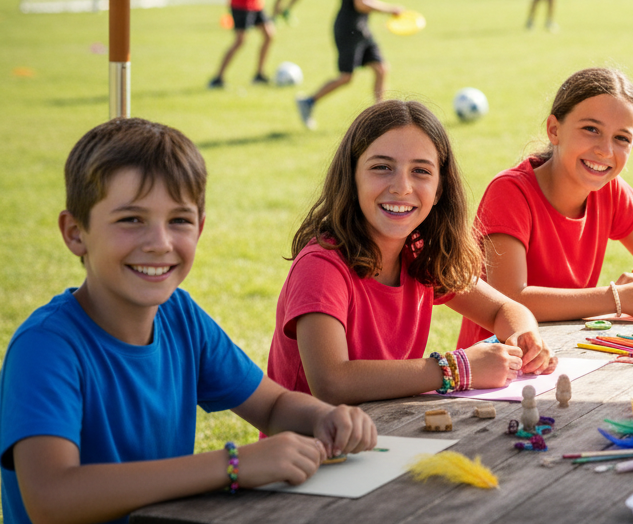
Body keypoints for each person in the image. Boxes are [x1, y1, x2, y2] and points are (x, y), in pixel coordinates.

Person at [0, 118, 377, 524]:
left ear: (199, 228)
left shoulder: (181, 317)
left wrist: (324, 417)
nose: (159, 243)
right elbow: (51, 498)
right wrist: (232, 466)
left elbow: (274, 406)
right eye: (131, 219)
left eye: (178, 220)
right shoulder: (45, 348)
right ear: (76, 233)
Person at [269, 100, 555, 404]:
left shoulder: (419, 252)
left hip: (389, 435)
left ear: (439, 190)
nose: (402, 187)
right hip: (313, 448)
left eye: (420, 171)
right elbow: (331, 382)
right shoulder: (322, 266)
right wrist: (456, 369)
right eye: (382, 167)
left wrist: (524, 337)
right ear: (351, 177)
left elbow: (505, 310)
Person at [457, 68, 633, 347]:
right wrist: (620, 298)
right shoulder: (510, 191)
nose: (605, 150)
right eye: (591, 129)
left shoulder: (609, 190)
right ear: (554, 129)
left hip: (565, 350)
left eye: (621, 138)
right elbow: (511, 298)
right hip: (498, 362)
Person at [296, 0, 402, 130]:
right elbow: (360, 3)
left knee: (381, 68)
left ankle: (380, 119)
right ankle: (308, 102)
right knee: (346, 77)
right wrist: (390, 9)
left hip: (360, 29)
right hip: (348, 30)